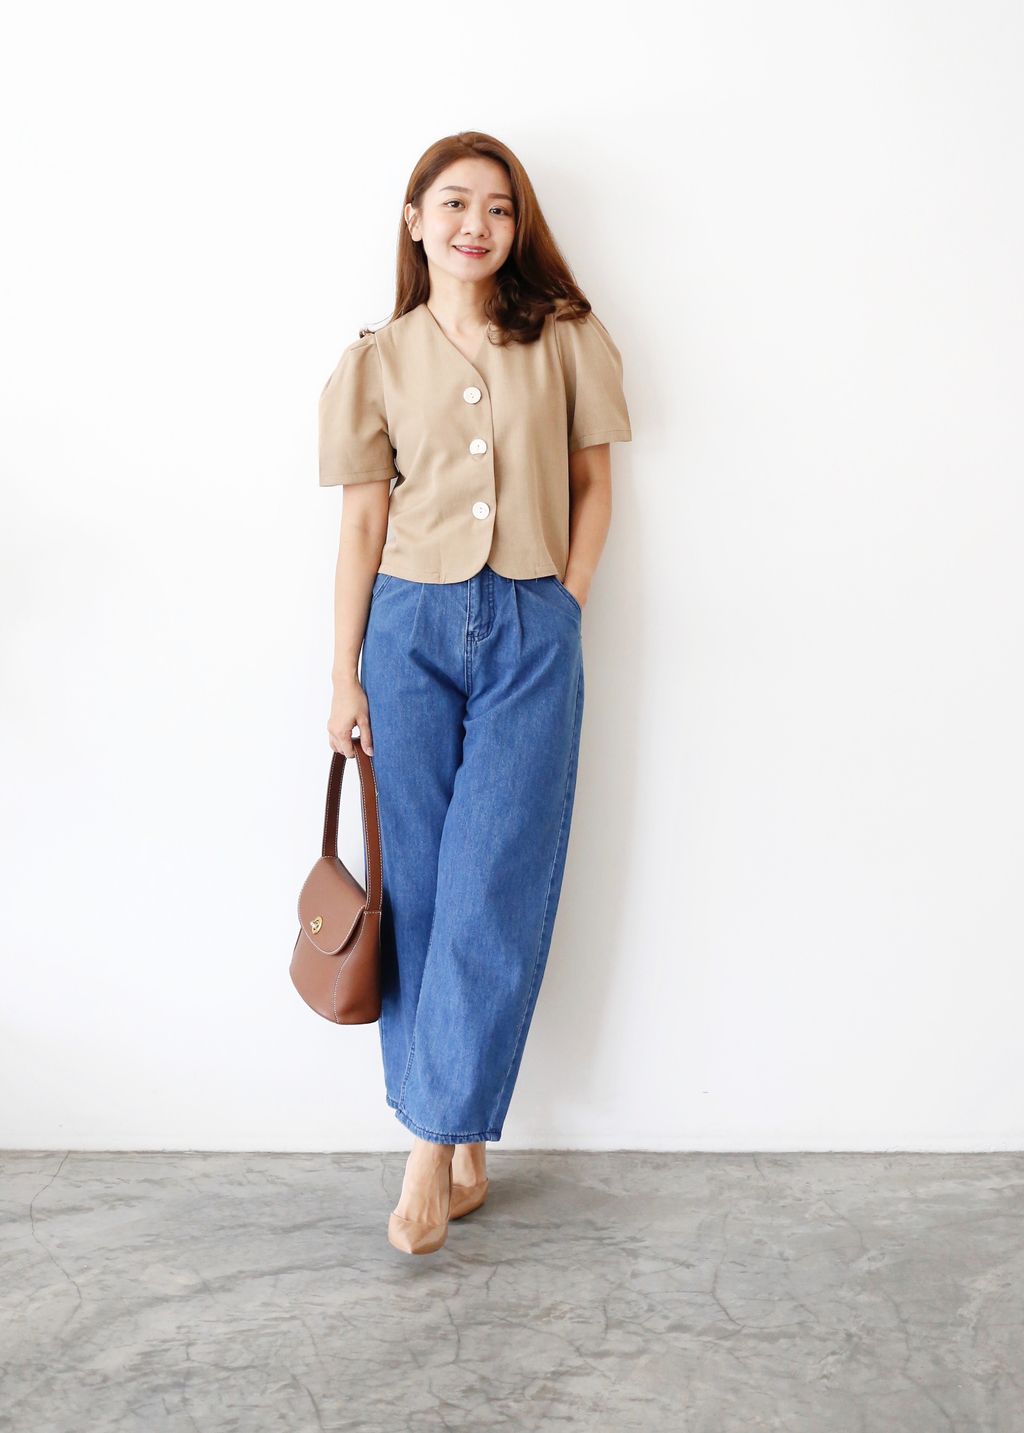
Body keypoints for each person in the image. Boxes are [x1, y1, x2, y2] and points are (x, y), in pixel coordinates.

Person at [318, 131, 633, 1255]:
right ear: (415, 220)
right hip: (407, 629)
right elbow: (362, 521)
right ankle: (450, 1140)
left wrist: (567, 600)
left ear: (516, 227)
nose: (475, 224)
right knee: (417, 885)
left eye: (497, 208)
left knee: (495, 877)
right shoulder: (374, 360)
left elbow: (594, 482)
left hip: (532, 626)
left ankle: (432, 1140)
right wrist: (343, 671)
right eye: (453, 203)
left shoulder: (566, 338)